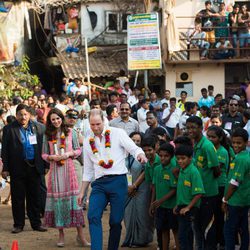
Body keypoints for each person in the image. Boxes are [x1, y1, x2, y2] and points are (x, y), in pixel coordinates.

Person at [78, 109, 147, 250]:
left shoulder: (117, 133)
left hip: (118, 182)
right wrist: (82, 192)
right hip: (99, 185)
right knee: (93, 216)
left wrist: (140, 155)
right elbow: (88, 170)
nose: (95, 128)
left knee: (115, 221)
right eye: (92, 124)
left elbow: (134, 149)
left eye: (98, 124)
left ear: (104, 121)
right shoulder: (87, 141)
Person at [42, 108, 89, 247]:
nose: (56, 121)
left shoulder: (70, 132)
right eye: (53, 119)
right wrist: (51, 157)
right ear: (50, 122)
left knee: (75, 201)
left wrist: (68, 154)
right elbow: (43, 154)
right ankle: (61, 236)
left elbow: (78, 149)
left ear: (62, 118)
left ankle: (81, 237)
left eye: (58, 118)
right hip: (55, 172)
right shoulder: (47, 135)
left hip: (69, 169)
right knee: (58, 202)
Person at [1, 104, 48, 233]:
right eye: (20, 114)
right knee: (17, 197)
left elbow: (44, 148)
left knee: (35, 196)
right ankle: (18, 224)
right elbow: (4, 149)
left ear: (29, 115)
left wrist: (46, 165)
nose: (23, 117)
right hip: (17, 168)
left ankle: (36, 223)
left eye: (25, 114)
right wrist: (5, 168)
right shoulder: (9, 129)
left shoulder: (38, 127)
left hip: (34, 167)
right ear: (16, 115)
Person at [186, 116, 219, 250]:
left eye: (193, 127)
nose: (190, 130)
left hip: (208, 193)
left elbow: (216, 170)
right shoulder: (195, 144)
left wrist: (205, 180)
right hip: (197, 193)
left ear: (201, 128)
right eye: (188, 128)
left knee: (203, 228)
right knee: (197, 227)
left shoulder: (207, 146)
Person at [122, 132, 154, 247]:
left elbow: (146, 172)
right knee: (128, 214)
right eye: (133, 140)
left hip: (141, 188)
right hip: (127, 188)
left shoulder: (143, 155)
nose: (135, 143)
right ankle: (130, 239)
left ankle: (141, 240)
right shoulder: (123, 153)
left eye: (138, 141)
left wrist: (135, 185)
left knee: (142, 214)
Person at [222, 128, 250, 250]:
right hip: (244, 199)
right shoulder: (245, 156)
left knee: (229, 230)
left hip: (236, 200)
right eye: (234, 142)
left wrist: (225, 200)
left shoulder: (240, 159)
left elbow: (234, 183)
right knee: (243, 228)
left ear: (246, 143)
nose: (235, 145)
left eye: (239, 143)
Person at [173, 145, 205, 250]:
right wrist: (177, 205)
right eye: (178, 159)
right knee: (185, 235)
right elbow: (182, 191)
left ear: (190, 158)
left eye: (183, 158)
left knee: (184, 235)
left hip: (190, 209)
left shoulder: (193, 172)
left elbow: (199, 193)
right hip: (181, 206)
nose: (180, 161)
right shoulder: (182, 170)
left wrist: (188, 207)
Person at [150, 143, 179, 250]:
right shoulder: (157, 169)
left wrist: (160, 200)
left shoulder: (174, 169)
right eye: (161, 155)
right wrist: (152, 203)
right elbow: (154, 187)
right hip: (160, 207)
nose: (163, 158)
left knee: (176, 230)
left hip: (172, 206)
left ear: (171, 156)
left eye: (166, 156)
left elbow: (175, 189)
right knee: (163, 230)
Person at [207, 126, 230, 248]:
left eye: (213, 137)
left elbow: (215, 169)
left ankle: (220, 241)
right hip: (211, 186)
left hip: (220, 186)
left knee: (219, 216)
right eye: (208, 136)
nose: (210, 139)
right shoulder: (209, 149)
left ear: (220, 138)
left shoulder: (222, 151)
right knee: (214, 215)